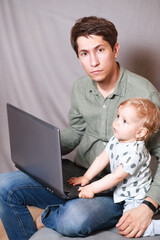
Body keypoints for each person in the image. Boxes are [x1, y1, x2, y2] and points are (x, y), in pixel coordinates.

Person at [0, 16, 160, 239]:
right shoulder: (80, 87)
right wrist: (43, 146)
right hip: (81, 175)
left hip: (117, 191)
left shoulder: (146, 94)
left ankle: (47, 216)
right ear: (78, 57)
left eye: (100, 50)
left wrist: (149, 206)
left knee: (73, 219)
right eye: (84, 54)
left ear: (115, 49)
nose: (93, 62)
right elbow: (74, 132)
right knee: (4, 185)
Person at [68, 98, 160, 236]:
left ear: (140, 133)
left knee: (131, 228)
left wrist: (92, 188)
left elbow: (116, 176)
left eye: (124, 121)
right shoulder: (117, 139)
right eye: (118, 116)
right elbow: (103, 157)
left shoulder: (135, 153)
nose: (117, 122)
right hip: (120, 190)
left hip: (135, 197)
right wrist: (86, 177)